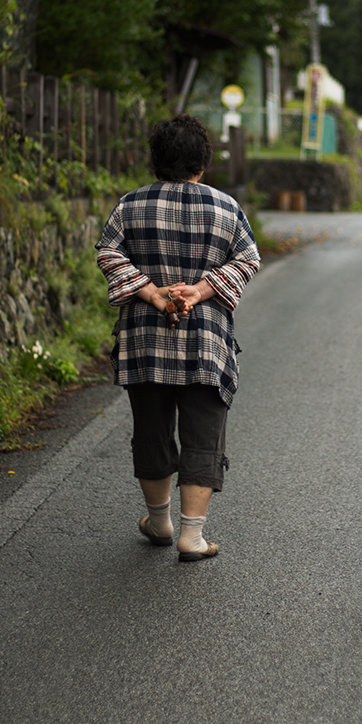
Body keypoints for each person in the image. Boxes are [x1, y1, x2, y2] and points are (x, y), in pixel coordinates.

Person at [97, 114, 261, 561]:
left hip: (145, 345)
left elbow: (108, 252)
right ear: (203, 162)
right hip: (207, 343)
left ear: (156, 160)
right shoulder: (227, 208)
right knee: (203, 436)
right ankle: (192, 535)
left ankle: (160, 520)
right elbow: (248, 258)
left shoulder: (129, 206)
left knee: (151, 432)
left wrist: (150, 293)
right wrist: (204, 288)